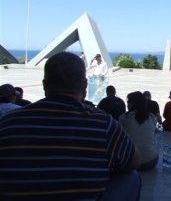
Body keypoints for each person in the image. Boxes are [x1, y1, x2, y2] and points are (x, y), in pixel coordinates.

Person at [0, 52, 141, 200]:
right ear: (85, 86)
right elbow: (134, 161)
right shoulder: (103, 123)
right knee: (131, 177)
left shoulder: (7, 122)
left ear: (44, 85)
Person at [119, 91, 159, 171]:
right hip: (150, 162)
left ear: (132, 103)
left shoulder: (124, 118)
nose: (127, 104)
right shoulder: (152, 117)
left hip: (131, 163)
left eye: (128, 102)